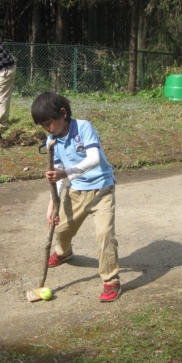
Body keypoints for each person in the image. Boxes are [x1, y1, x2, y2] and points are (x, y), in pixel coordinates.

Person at [31, 92, 121, 302]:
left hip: (102, 190)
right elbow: (58, 174)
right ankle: (64, 253)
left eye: (49, 123)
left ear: (63, 114)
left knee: (105, 235)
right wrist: (52, 204)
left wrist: (65, 173)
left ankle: (111, 281)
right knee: (61, 228)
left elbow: (94, 159)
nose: (47, 128)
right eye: (43, 125)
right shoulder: (52, 140)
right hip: (76, 191)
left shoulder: (83, 127)